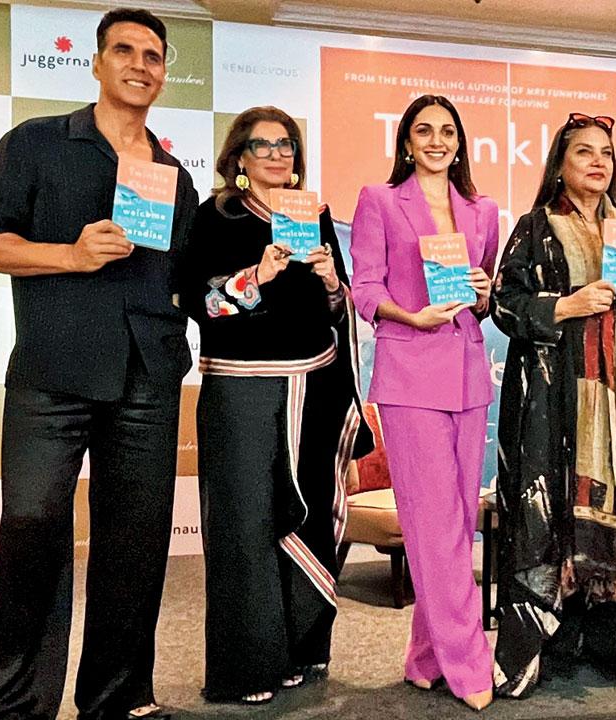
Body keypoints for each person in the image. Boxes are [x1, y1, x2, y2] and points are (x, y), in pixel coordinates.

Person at [0, 10, 196, 720]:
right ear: (96, 63)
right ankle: (12, 707)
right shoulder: (33, 143)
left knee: (135, 544)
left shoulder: (172, 173)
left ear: (163, 72)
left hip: (146, 379)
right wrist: (68, 253)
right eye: (124, 50)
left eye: (154, 55)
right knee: (32, 530)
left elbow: (179, 280)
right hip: (51, 373)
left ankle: (117, 698)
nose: (140, 64)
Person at [179, 107, 373, 705]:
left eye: (286, 144)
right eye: (262, 144)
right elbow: (195, 301)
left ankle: (300, 649)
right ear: (238, 157)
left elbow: (336, 309)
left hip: (313, 388)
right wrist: (254, 277)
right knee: (244, 525)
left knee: (310, 518)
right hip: (243, 389)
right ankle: (246, 668)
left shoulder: (311, 213)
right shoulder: (212, 216)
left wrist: (331, 283)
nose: (276, 154)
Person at [491, 113, 616, 699]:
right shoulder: (534, 229)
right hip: (560, 400)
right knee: (558, 515)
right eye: (584, 153)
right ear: (560, 164)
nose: (598, 162)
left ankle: (609, 642)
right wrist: (565, 306)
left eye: (606, 152)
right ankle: (553, 640)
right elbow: (505, 304)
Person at [348, 95, 499, 711]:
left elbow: (481, 295)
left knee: (458, 523)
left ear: (460, 143)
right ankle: (470, 665)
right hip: (410, 374)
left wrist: (484, 294)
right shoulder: (379, 201)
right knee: (434, 526)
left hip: (467, 373)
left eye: (446, 132)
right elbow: (364, 287)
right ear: (406, 143)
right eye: (422, 131)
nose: (436, 140)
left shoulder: (484, 210)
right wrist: (408, 314)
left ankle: (424, 658)